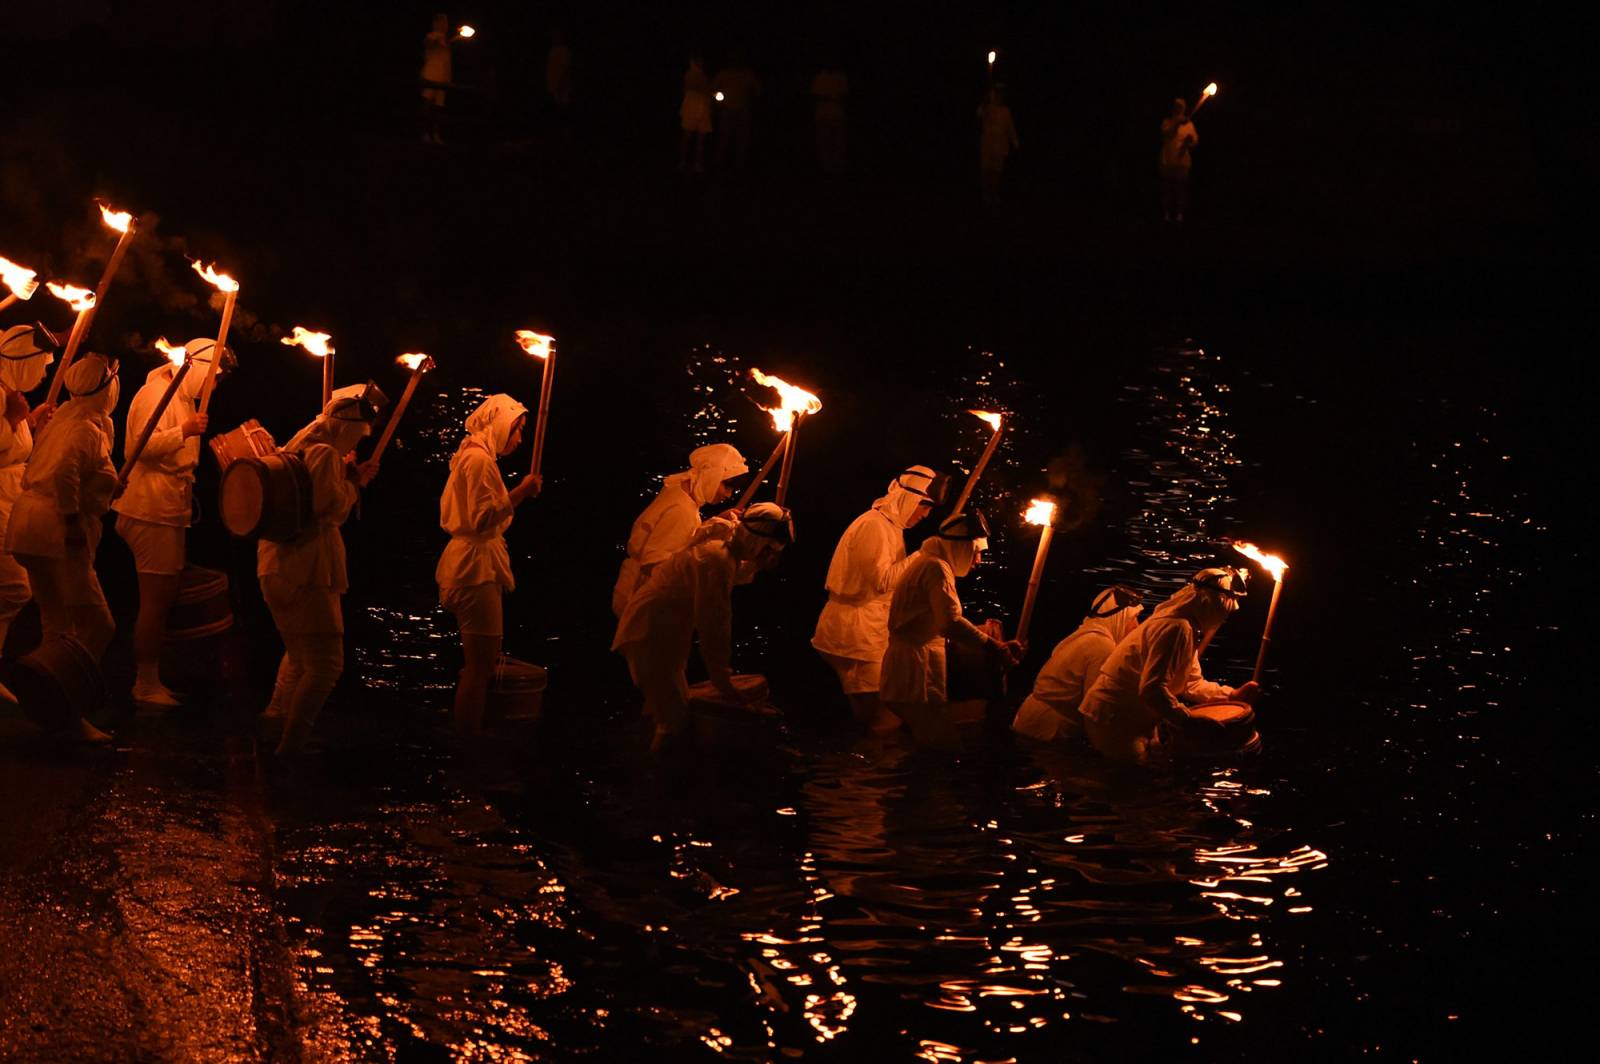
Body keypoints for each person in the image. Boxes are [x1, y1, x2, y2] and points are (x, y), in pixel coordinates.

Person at [258, 385, 382, 755]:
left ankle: (274, 725)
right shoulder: (325, 453)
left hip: (274, 564)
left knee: (299, 656)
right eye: (358, 434)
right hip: (307, 568)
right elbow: (328, 508)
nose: (357, 441)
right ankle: (291, 747)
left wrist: (346, 476)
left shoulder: (295, 445)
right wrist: (356, 482)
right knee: (327, 664)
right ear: (346, 429)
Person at [612, 502, 793, 753]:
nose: (770, 557)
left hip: (665, 635)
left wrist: (758, 562)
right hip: (650, 634)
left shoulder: (723, 550)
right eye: (768, 551)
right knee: (674, 720)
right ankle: (652, 779)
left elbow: (737, 573)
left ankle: (639, 754)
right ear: (757, 542)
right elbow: (714, 624)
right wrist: (722, 680)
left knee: (660, 705)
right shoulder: (715, 560)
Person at [111, 338, 233, 707]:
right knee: (156, 601)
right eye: (213, 377)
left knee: (163, 598)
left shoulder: (180, 395)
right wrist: (185, 431)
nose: (213, 386)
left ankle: (153, 676)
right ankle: (144, 683)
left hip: (167, 505)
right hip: (149, 507)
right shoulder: (155, 394)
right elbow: (137, 449)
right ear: (197, 367)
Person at [4, 353, 119, 742]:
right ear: (103, 390)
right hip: (54, 533)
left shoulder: (68, 418)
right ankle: (66, 705)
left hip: (31, 527)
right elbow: (64, 472)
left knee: (57, 624)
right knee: (98, 624)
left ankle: (53, 707)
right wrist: (72, 522)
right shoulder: (84, 428)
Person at [435, 394, 541, 736]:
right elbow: (482, 518)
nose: (520, 439)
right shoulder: (478, 461)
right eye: (517, 430)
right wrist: (521, 493)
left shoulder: (469, 455)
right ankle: (467, 745)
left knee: (477, 666)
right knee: (480, 668)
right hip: (474, 569)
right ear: (499, 424)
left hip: (467, 565)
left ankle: (467, 738)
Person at [1078, 568, 1260, 764]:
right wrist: (1188, 721)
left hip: (1135, 718)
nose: (1225, 617)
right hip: (1114, 718)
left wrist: (1230, 695)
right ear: (1207, 602)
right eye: (1225, 609)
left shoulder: (1187, 628)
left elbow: (1192, 684)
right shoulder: (1176, 628)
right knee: (1135, 783)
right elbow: (1152, 689)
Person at [811, 466, 939, 733]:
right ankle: (864, 769)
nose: (925, 515)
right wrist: (922, 555)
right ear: (909, 498)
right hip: (855, 635)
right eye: (924, 506)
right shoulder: (874, 526)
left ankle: (859, 765)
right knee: (883, 717)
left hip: (865, 630)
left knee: (876, 713)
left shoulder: (890, 527)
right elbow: (880, 583)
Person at [880, 511, 1023, 747]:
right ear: (961, 547)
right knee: (936, 745)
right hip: (916, 669)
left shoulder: (926, 563)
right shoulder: (936, 569)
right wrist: (994, 646)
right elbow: (949, 622)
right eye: (976, 553)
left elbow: (932, 621)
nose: (977, 561)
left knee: (922, 740)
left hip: (910, 664)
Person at [611, 443, 747, 617]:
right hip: (645, 606)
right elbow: (656, 567)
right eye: (727, 486)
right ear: (713, 474)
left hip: (639, 599)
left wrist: (714, 522)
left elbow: (678, 538)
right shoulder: (682, 510)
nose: (728, 495)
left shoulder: (680, 492)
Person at [1011, 585, 1144, 742]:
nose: (1137, 626)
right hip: (1049, 729)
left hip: (1028, 718)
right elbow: (1094, 707)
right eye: (1133, 618)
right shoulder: (1102, 646)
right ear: (1119, 618)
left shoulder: (1083, 635)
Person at [0, 325, 55, 654]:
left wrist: (29, 422)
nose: (45, 372)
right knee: (15, 589)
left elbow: (11, 448)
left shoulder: (5, 389)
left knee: (15, 591)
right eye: (42, 363)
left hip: (10, 501)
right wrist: (14, 419)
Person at [713, 50, 762, 171]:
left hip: (743, 111)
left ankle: (740, 166)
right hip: (727, 111)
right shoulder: (723, 74)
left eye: (737, 58)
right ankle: (719, 164)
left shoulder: (747, 74)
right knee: (724, 138)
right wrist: (718, 100)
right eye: (733, 58)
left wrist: (753, 104)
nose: (735, 61)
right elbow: (712, 90)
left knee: (742, 139)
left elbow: (758, 91)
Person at [977, 84, 1020, 201]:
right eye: (996, 94)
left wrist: (1015, 141)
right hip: (987, 145)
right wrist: (985, 101)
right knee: (985, 171)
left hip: (999, 147)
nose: (998, 97)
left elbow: (1010, 128)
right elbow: (979, 114)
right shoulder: (987, 108)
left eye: (1000, 94)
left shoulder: (1005, 111)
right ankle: (985, 196)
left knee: (996, 172)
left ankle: (995, 195)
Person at [1159, 97, 1199, 222]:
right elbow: (1166, 134)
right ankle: (1166, 214)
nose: (1178, 109)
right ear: (1173, 108)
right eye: (1176, 106)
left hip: (1182, 162)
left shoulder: (1189, 124)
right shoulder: (1167, 122)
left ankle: (1179, 214)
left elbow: (1195, 140)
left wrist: (1190, 141)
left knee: (1180, 189)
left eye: (1181, 107)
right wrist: (1177, 123)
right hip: (1168, 160)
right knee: (1167, 188)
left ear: (1184, 109)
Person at [810, 59, 849, 175]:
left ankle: (839, 166)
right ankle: (825, 167)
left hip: (837, 113)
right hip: (823, 114)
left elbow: (846, 95)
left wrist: (833, 99)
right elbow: (813, 96)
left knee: (839, 141)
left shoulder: (840, 77)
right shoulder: (820, 77)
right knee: (824, 140)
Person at [420, 13, 453, 144]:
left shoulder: (446, 41)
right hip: (430, 75)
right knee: (426, 105)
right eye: (443, 22)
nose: (445, 25)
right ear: (436, 23)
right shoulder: (431, 36)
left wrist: (449, 78)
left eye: (446, 22)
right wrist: (436, 40)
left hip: (443, 78)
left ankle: (435, 134)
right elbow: (427, 44)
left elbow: (447, 62)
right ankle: (423, 133)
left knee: (438, 108)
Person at [678, 52, 713, 173]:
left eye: (702, 61)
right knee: (687, 137)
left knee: (701, 139)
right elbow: (697, 87)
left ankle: (697, 163)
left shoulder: (704, 75)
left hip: (703, 110)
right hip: (691, 109)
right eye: (698, 61)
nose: (701, 63)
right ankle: (683, 162)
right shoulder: (690, 74)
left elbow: (707, 91)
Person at [546, 28, 573, 110]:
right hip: (554, 87)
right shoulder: (553, 51)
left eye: (556, 36)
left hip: (561, 87)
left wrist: (560, 83)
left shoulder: (564, 52)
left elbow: (565, 69)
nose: (553, 38)